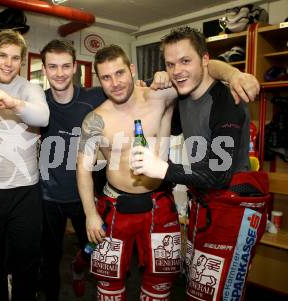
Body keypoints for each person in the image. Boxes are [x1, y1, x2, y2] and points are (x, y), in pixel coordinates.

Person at [76, 44, 260, 301]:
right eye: (106, 77)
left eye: (119, 73)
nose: (115, 83)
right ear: (99, 80)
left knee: (160, 283)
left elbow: (204, 69)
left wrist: (233, 75)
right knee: (108, 284)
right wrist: (90, 214)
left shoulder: (159, 95)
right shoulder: (94, 119)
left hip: (159, 203)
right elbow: (83, 170)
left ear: (131, 69)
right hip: (115, 204)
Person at [130, 27, 269, 301]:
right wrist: (158, 81)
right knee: (197, 288)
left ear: (205, 60)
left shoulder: (227, 101)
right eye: (170, 64)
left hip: (233, 206)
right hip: (204, 203)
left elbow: (218, 175)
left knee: (220, 293)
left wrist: (164, 169)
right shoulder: (185, 95)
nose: (177, 70)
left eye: (185, 61)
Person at [0, 30, 49, 301]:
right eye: (2, 55)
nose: (8, 63)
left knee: (26, 266)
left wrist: (11, 102)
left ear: (22, 61)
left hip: (25, 193)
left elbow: (42, 116)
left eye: (15, 58)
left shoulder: (29, 89)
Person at [38, 39, 107, 300]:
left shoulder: (93, 97)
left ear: (75, 66)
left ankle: (80, 265)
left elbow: (132, 92)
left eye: (66, 66)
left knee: (96, 253)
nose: (59, 73)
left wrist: (155, 80)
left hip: (84, 197)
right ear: (44, 68)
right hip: (47, 198)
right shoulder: (39, 102)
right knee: (49, 261)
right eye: (53, 66)